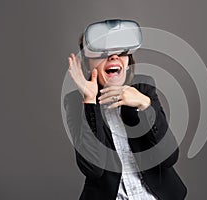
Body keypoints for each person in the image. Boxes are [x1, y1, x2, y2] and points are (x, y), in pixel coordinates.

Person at [65, 19, 187, 200]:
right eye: (102, 52)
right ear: (87, 62)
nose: (114, 56)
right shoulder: (75, 102)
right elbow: (93, 170)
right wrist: (90, 101)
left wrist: (145, 105)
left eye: (121, 51)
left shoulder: (143, 88)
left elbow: (169, 158)